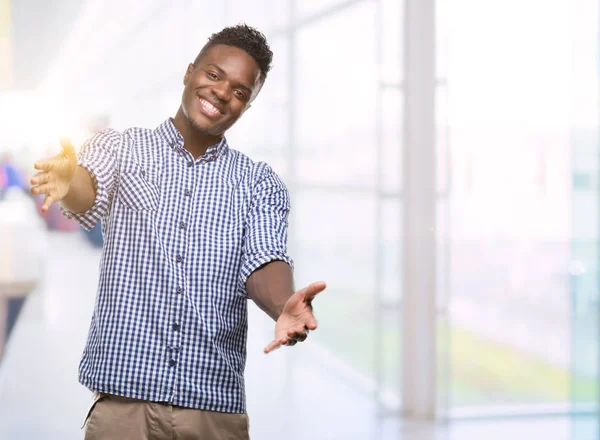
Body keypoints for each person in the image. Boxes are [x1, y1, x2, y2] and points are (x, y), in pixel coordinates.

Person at [30, 24, 326, 440]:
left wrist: (285, 306)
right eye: (214, 75)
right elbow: (87, 191)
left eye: (240, 91)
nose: (222, 92)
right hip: (122, 408)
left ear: (248, 105)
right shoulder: (121, 147)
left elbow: (265, 258)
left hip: (211, 414)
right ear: (190, 73)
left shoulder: (258, 182)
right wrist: (69, 182)